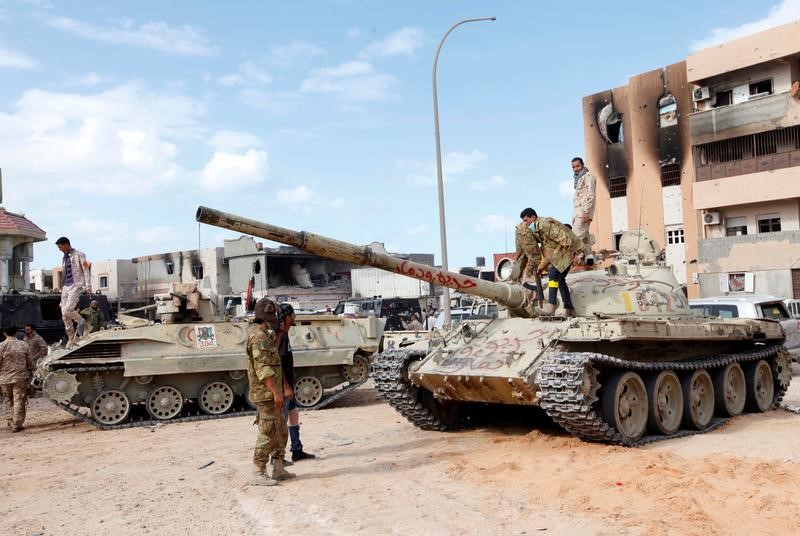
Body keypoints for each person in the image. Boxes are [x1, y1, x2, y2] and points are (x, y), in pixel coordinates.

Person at [247, 298, 294, 486]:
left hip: (273, 393)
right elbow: (263, 369)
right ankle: (258, 471)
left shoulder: (265, 335)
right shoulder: (257, 337)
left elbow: (273, 352)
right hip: (266, 394)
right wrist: (276, 392)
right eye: (273, 315)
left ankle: (278, 467)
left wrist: (282, 331)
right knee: (268, 432)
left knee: (281, 430)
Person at [524, 208, 582, 317]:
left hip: (567, 252)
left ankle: (551, 305)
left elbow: (566, 240)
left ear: (533, 217)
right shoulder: (538, 229)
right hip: (563, 253)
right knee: (560, 279)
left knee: (552, 274)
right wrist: (541, 266)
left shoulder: (544, 225)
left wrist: (575, 254)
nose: (525, 223)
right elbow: (549, 252)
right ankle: (569, 308)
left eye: (526, 220)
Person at [277, 303, 315, 462]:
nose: (295, 317)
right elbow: (278, 363)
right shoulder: (282, 336)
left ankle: (297, 449)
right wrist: (286, 387)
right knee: (281, 421)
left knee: (293, 414)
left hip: (289, 385)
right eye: (293, 314)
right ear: (287, 318)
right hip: (284, 386)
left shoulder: (284, 334)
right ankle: (277, 457)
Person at [55, 237, 92, 347]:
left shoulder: (79, 254)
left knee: (68, 310)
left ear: (66, 244)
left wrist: (88, 286)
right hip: (66, 286)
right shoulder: (64, 257)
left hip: (76, 284)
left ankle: (83, 323)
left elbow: (86, 269)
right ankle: (72, 338)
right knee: (64, 314)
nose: (59, 249)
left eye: (60, 247)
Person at [1, 325, 33, 432]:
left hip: (5, 379)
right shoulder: (24, 345)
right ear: (16, 333)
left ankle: (10, 420)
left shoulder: (1, 346)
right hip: (20, 377)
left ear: (4, 333)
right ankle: (17, 424)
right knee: (19, 400)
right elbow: (30, 362)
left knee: (8, 399)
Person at [515, 212, 544, 308]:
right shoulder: (539, 223)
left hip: (521, 232)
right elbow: (534, 256)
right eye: (525, 220)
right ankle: (534, 289)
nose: (526, 222)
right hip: (524, 233)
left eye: (526, 220)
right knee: (534, 259)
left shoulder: (537, 223)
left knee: (521, 261)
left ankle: (525, 284)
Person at [570, 157, 597, 265]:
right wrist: (574, 216)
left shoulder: (588, 177)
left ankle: (578, 259)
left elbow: (590, 195)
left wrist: (586, 212)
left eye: (578, 166)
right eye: (573, 167)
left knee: (575, 238)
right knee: (585, 238)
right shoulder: (577, 180)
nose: (576, 169)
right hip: (578, 213)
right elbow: (577, 200)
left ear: (582, 165)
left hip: (583, 212)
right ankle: (588, 259)